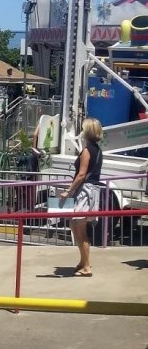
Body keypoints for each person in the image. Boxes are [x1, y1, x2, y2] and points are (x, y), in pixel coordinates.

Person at [58, 117, 103, 277]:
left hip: (85, 191)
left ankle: (87, 266)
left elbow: (81, 174)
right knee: (75, 225)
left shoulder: (86, 151)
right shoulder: (97, 149)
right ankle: (83, 262)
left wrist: (68, 191)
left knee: (79, 229)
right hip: (91, 190)